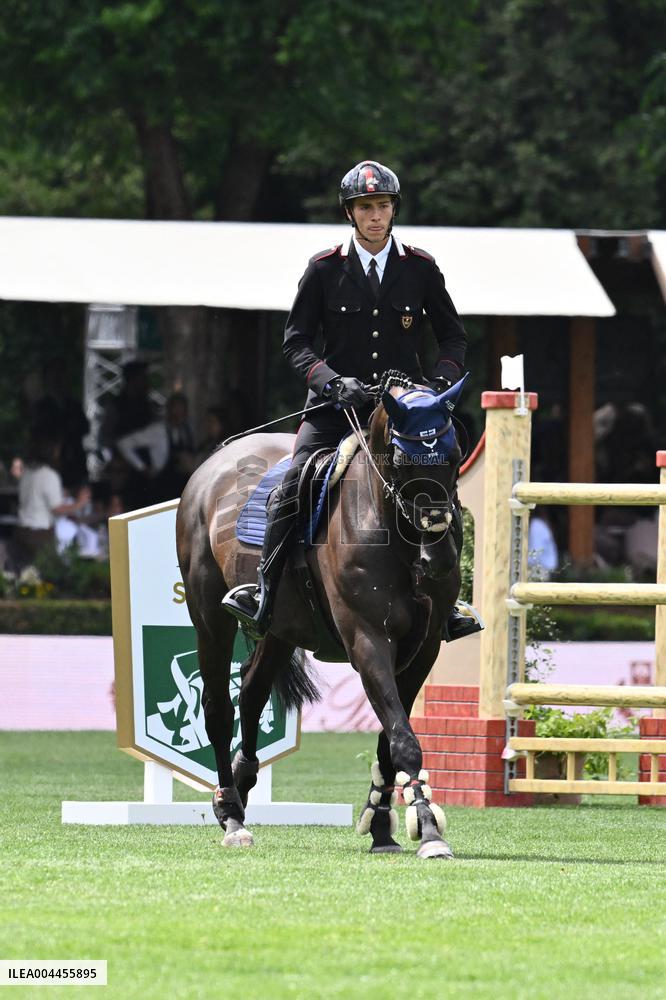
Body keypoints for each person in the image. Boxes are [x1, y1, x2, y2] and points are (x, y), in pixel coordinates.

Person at [222, 159, 482, 642]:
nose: (376, 215)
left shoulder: (420, 268)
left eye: (383, 205)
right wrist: (330, 382)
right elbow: (295, 341)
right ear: (350, 213)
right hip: (335, 407)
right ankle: (264, 589)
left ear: (393, 209)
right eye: (366, 207)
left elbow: (453, 338)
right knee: (293, 482)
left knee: (439, 488)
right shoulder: (324, 269)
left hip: (406, 410)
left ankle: (449, 602)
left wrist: (435, 390)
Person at [12, 430, 91, 568]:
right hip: (39, 534)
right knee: (45, 573)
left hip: (21, 530)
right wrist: (80, 503)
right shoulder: (49, 475)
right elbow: (57, 509)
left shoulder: (27, 472)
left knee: (24, 573)